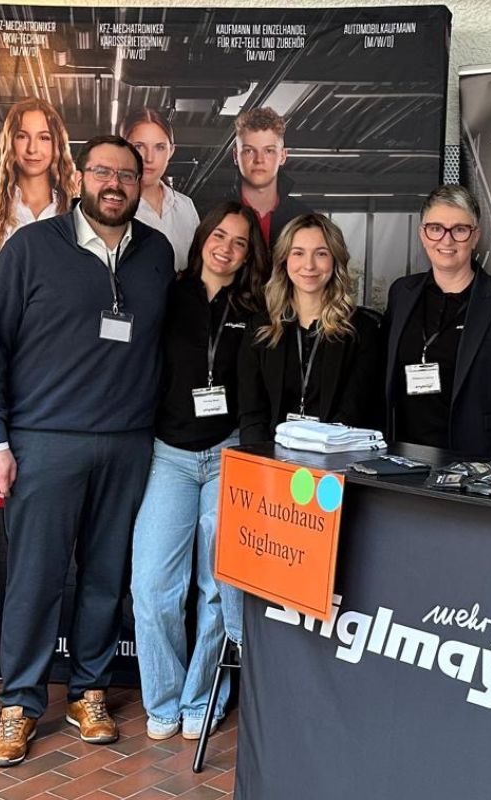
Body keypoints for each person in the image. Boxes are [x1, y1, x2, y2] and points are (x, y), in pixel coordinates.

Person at [0, 135, 175, 767]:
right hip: (45, 443)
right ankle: (21, 704)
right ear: (79, 179)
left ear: (141, 186)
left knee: (107, 579)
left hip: (130, 446)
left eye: (127, 175)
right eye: (103, 172)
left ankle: (89, 692)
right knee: (35, 579)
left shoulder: (157, 253)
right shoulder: (32, 248)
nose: (115, 184)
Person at [130, 202, 268, 741]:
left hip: (228, 453)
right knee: (153, 585)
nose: (226, 247)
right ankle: (162, 701)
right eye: (219, 236)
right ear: (202, 237)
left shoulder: (254, 308)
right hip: (170, 454)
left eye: (239, 242)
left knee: (217, 585)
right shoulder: (169, 293)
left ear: (247, 253)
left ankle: (203, 699)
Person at [384, 185, 491, 459]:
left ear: (475, 236)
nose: (446, 240)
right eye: (435, 228)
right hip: (404, 456)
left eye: (459, 229)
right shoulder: (402, 293)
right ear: (423, 234)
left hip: (478, 460)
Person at [237, 213, 381, 442]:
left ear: (335, 260)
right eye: (298, 253)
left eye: (321, 254)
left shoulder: (362, 330)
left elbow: (353, 411)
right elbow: (252, 413)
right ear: (284, 260)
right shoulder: (260, 327)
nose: (309, 265)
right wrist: (265, 466)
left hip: (334, 463)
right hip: (271, 462)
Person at [0, 98, 75, 360]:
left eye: (44, 137)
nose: (33, 148)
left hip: (65, 353)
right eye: (23, 136)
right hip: (8, 353)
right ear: (10, 143)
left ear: (56, 146)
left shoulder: (75, 214)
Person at [122, 107, 200, 273]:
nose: (149, 158)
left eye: (159, 147)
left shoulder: (186, 207)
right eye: (138, 147)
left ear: (171, 151)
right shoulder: (111, 209)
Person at [232, 106, 311, 247]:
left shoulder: (305, 218)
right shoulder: (211, 215)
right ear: (235, 156)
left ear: (283, 156)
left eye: (269, 151)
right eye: (249, 150)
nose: (259, 159)